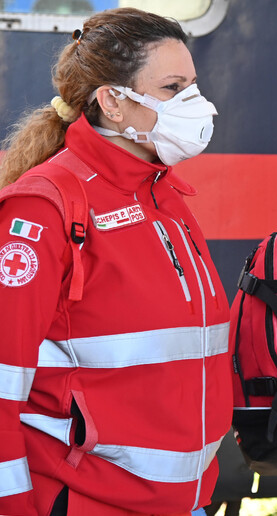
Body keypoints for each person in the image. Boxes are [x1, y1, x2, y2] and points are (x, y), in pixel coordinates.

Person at [0, 8, 231, 516]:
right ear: (113, 102)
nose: (196, 103)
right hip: (86, 502)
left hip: (183, 503)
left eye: (193, 84)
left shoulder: (167, 198)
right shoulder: (44, 207)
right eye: (173, 87)